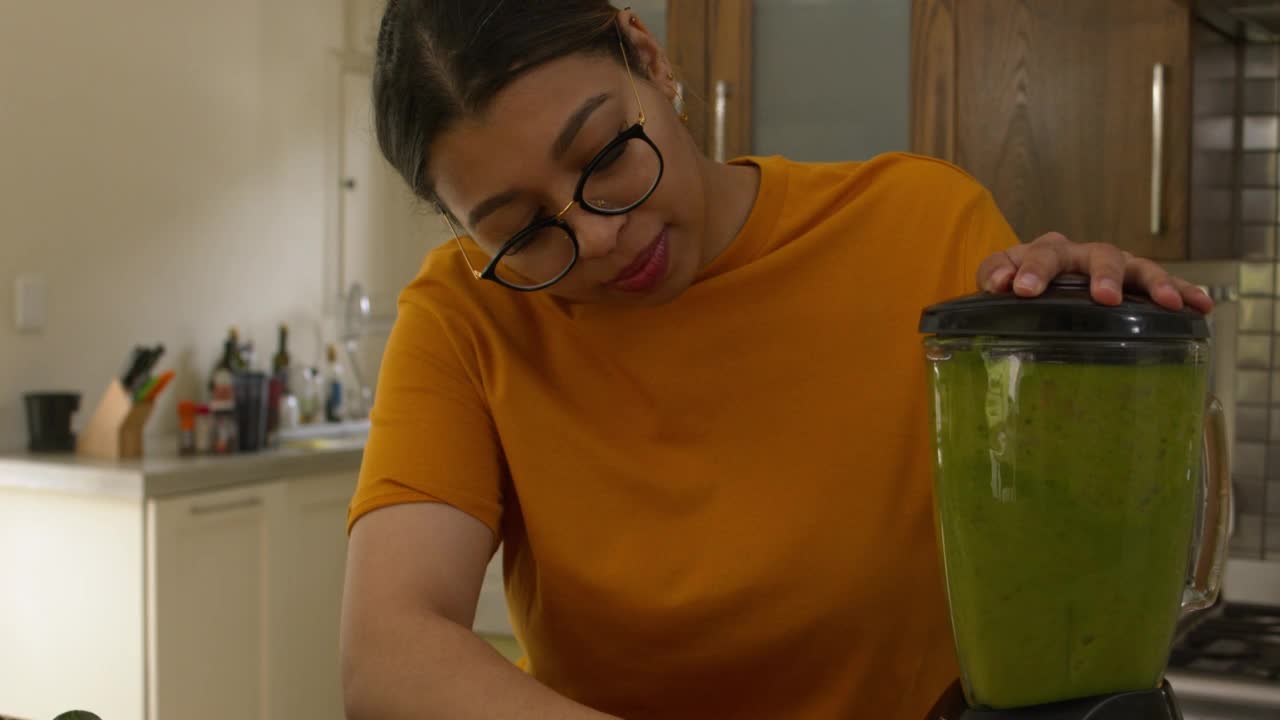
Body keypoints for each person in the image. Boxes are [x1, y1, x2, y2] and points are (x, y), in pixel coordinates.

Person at [338, 2, 1215, 719]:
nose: (599, 235)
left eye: (606, 154)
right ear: (466, 235)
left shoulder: (922, 227)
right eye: (521, 230)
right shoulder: (466, 316)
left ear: (648, 55)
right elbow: (388, 652)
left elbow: (1069, 546)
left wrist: (1102, 345)